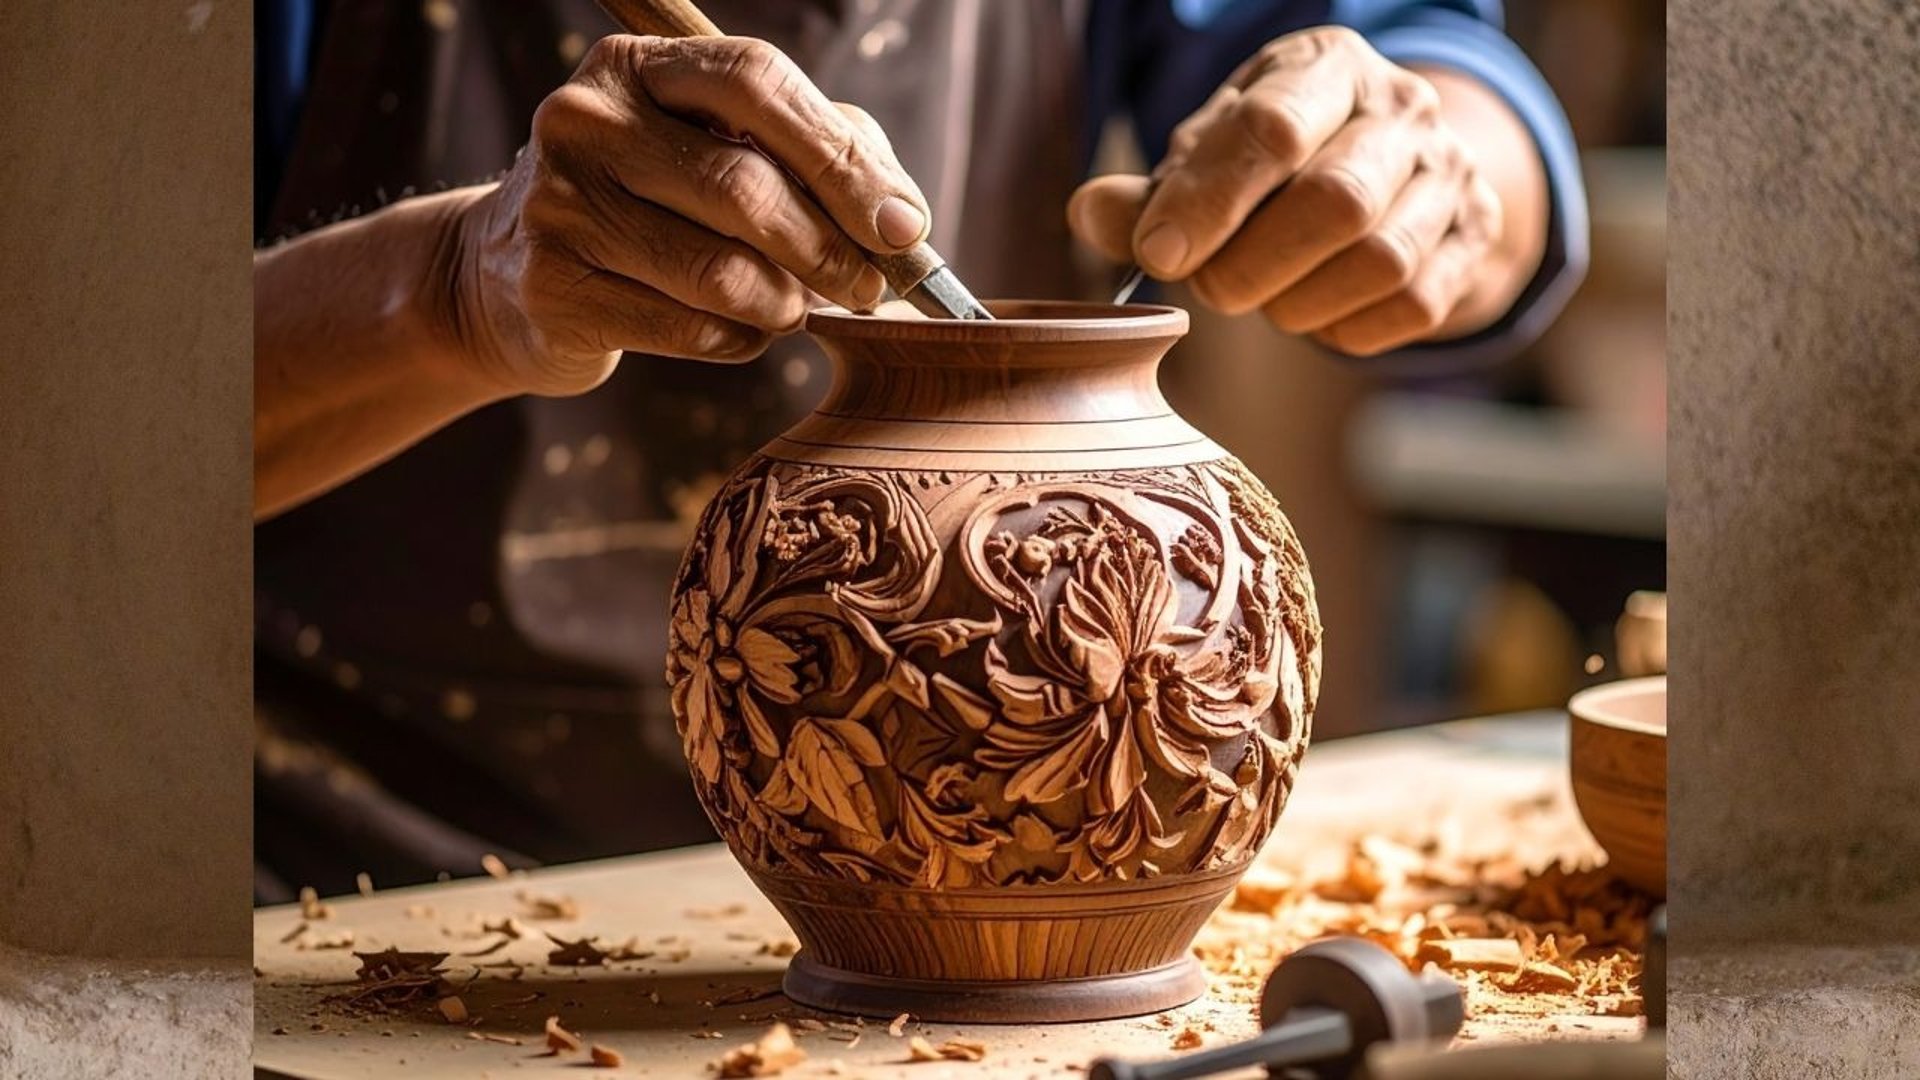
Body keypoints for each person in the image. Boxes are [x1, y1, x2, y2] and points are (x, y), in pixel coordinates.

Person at [252, 0, 1585, 900]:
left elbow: (1435, 65)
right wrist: (445, 287)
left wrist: (1442, 165)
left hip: (985, 920)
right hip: (331, 881)